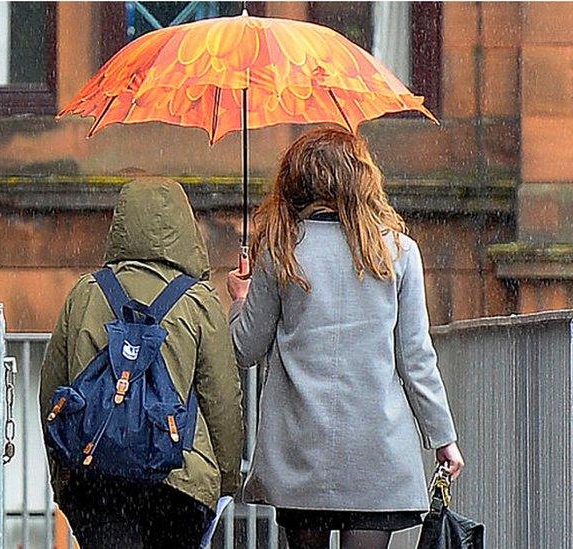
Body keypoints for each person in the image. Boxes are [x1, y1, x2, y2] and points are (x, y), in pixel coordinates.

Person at [227, 127, 465, 549]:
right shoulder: (397, 252)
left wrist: (240, 299)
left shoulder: (280, 252)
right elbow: (415, 358)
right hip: (374, 450)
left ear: (295, 181)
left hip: (300, 450)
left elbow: (244, 348)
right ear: (361, 178)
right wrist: (442, 437)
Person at [40, 177, 245, 548]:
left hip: (99, 479)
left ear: (121, 224)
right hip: (179, 479)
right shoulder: (199, 300)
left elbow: (51, 391)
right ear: (187, 228)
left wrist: (64, 478)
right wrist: (222, 480)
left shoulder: (86, 293)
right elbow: (223, 401)